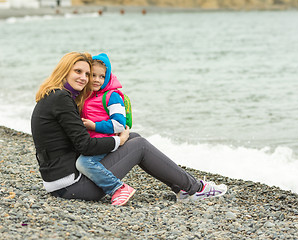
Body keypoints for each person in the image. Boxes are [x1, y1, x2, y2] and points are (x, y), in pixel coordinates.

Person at [31, 51, 227, 206]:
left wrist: (124, 138)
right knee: (138, 145)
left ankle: (182, 188)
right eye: (78, 72)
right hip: (72, 186)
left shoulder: (53, 96)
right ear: (64, 70)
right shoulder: (62, 99)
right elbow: (84, 145)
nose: (84, 78)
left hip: (61, 180)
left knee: (135, 137)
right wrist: (119, 140)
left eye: (87, 74)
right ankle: (195, 189)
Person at [76, 53, 136, 205]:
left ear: (108, 76)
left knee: (83, 163)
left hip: (107, 141)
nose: (97, 80)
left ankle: (118, 188)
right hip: (92, 142)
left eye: (101, 76)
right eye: (93, 75)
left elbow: (119, 125)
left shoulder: (112, 96)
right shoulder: (87, 96)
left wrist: (94, 126)